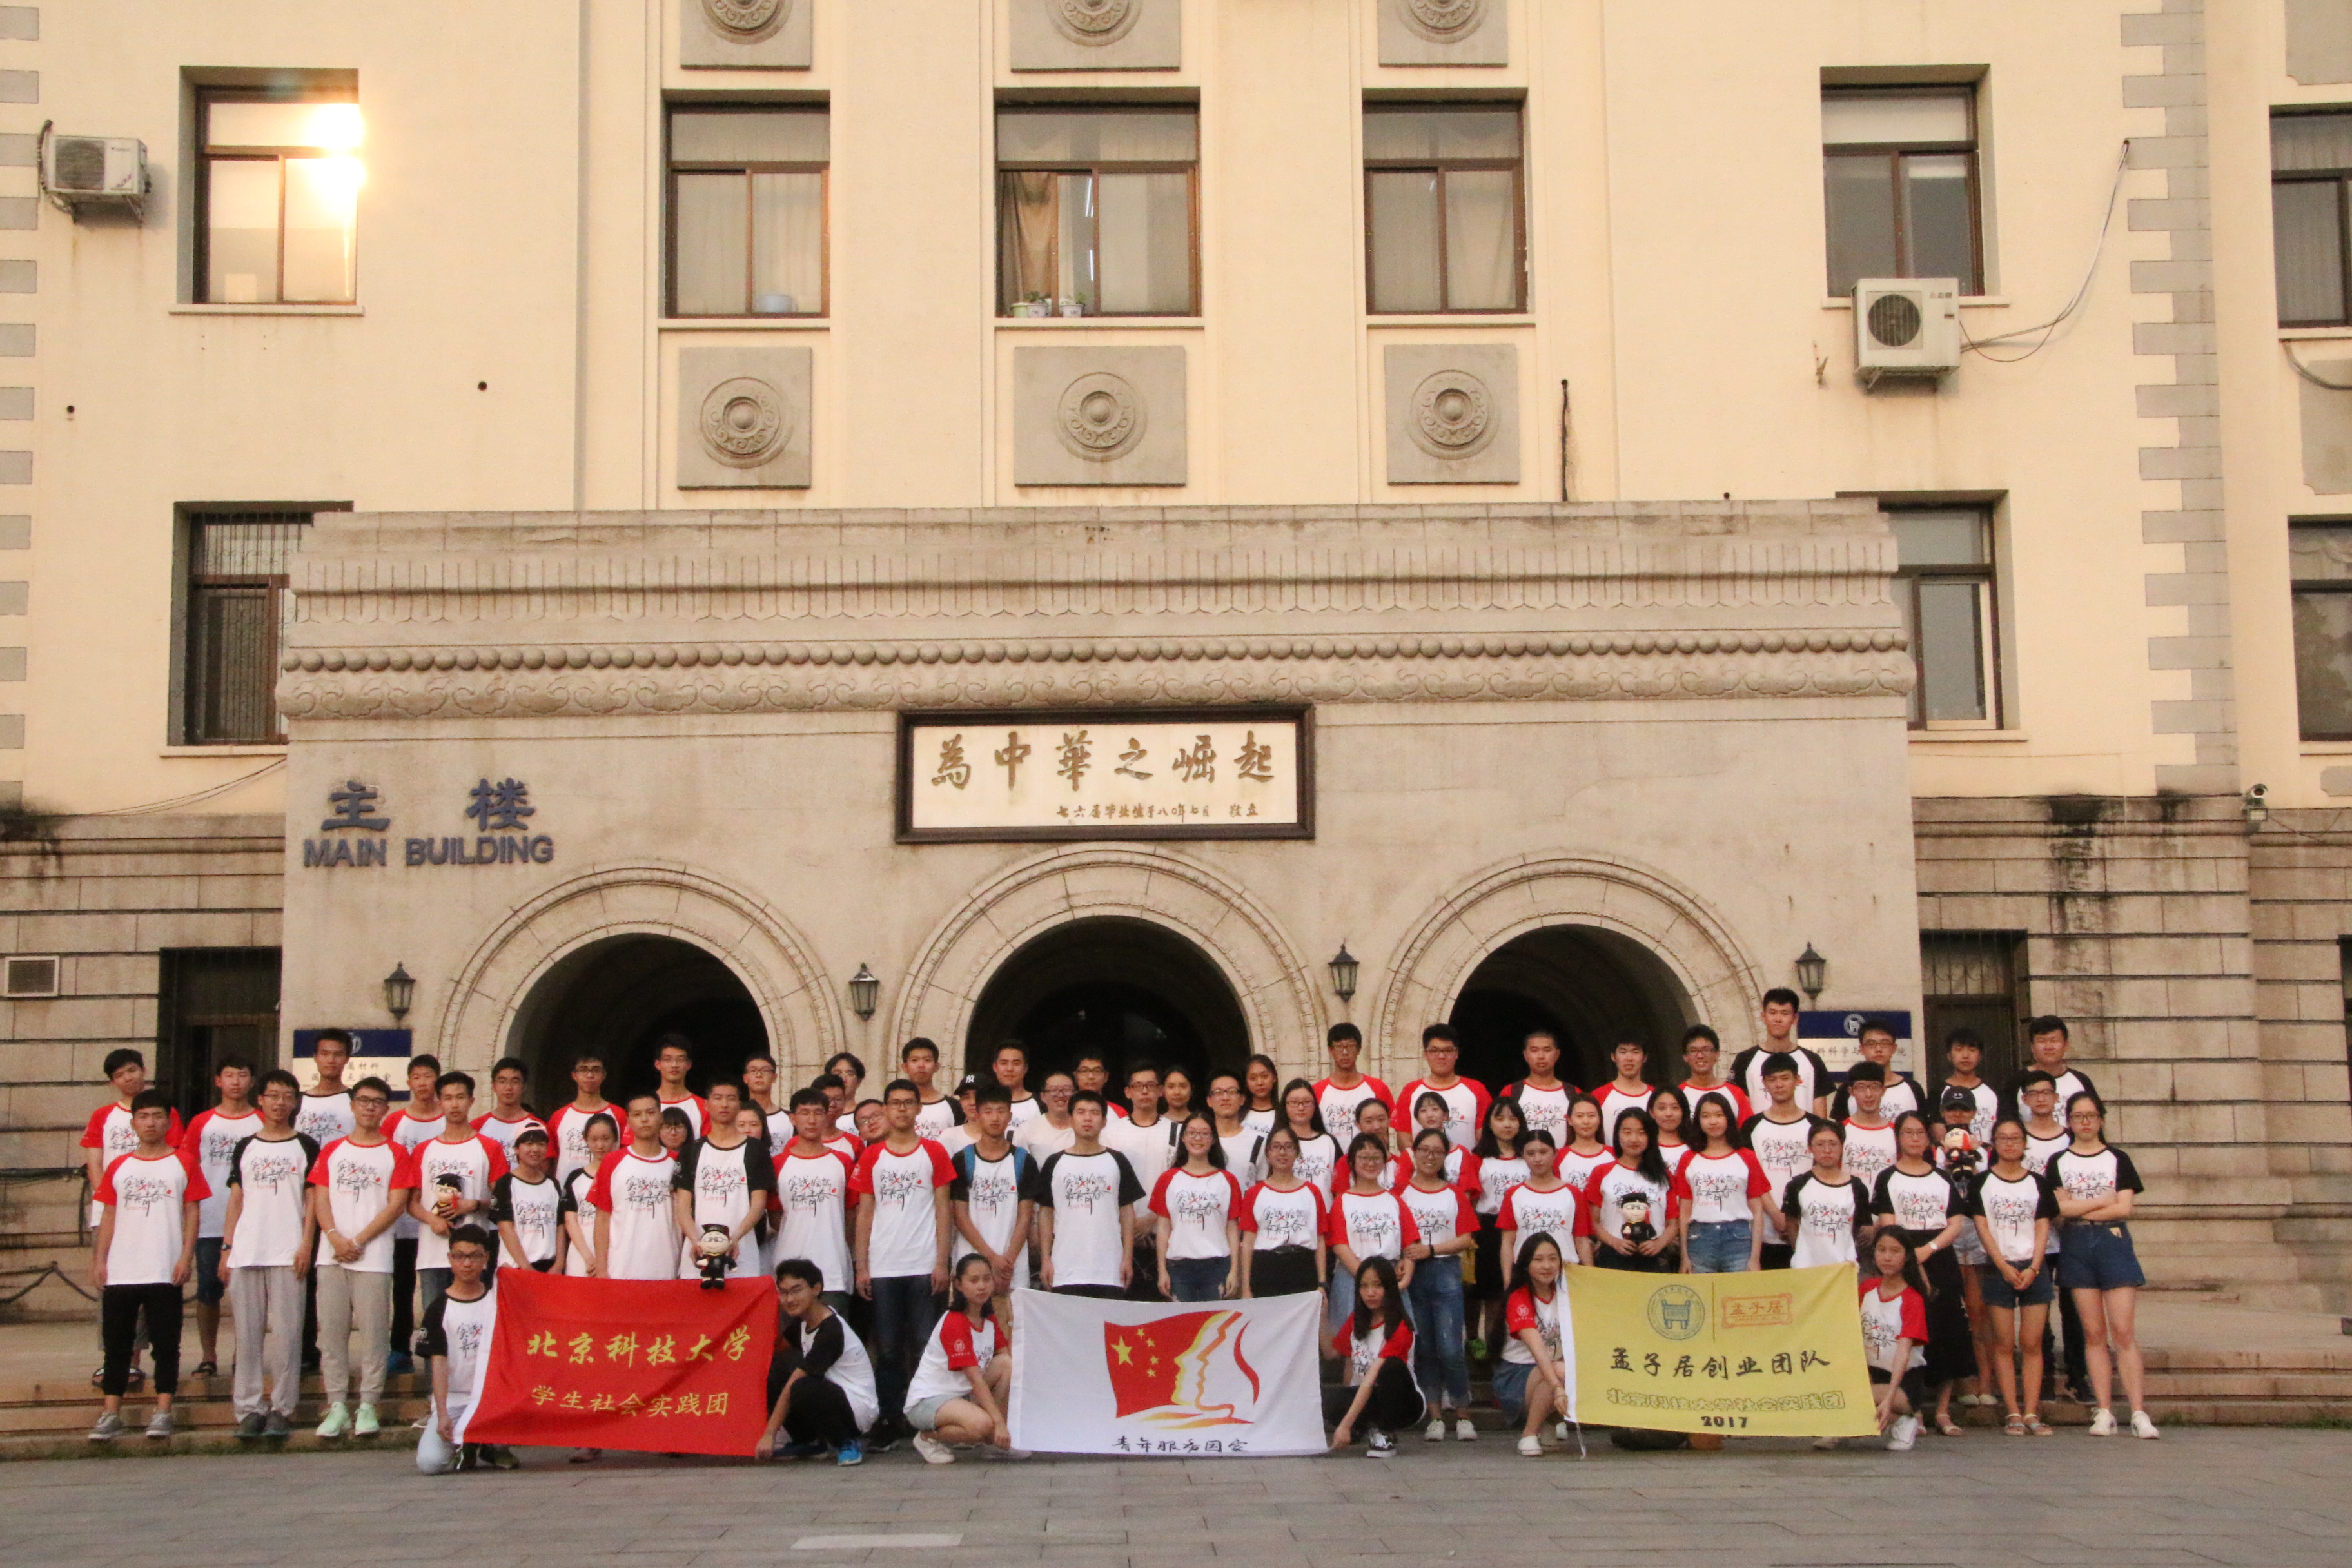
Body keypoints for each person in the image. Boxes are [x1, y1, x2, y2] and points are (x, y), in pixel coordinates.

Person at [88, 1089, 203, 1442]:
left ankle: (163, 1410)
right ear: (134, 1123)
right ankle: (111, 1413)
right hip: (122, 1268)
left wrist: (186, 1257)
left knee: (166, 1345)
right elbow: (109, 1214)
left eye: (157, 1116)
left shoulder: (183, 1161)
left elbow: (192, 1212)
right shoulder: (119, 1166)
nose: (150, 1123)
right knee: (117, 1345)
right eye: (144, 1117)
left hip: (164, 1268)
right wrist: (100, 1260)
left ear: (168, 1122)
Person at [851, 1079, 956, 1445]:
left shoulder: (934, 1152)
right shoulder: (872, 1156)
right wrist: (862, 1267)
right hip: (884, 1267)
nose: (902, 1109)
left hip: (924, 1264)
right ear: (885, 1109)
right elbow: (865, 1214)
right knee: (889, 1347)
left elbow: (944, 1210)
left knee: (926, 1344)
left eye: (908, 1103)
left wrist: (942, 1262)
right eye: (895, 1103)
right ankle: (890, 1418)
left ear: (918, 1109)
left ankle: (927, 1418)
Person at [2047, 1092, 2157, 1439]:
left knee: (2123, 1331)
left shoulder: (2117, 1158)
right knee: (2093, 1333)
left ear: (2101, 1120)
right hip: (2076, 1244)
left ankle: (2138, 1411)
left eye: (2091, 1116)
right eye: (2078, 1116)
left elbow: (2124, 1208)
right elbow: (2059, 1210)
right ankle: (2104, 1410)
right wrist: (2103, 1199)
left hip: (2113, 1241)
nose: (2085, 1122)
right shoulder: (2058, 1161)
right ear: (2069, 1121)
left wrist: (2081, 1207)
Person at [309, 1076, 414, 1439]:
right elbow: (320, 1198)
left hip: (374, 1257)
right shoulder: (333, 1150)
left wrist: (359, 1240)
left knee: (374, 1335)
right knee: (332, 1334)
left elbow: (397, 1204)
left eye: (378, 1102)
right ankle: (337, 1403)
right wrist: (335, 1238)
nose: (370, 1107)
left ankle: (368, 1403)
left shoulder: (396, 1153)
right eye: (364, 1101)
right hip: (332, 1256)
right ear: (352, 1106)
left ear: (386, 1109)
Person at [219, 1069, 320, 1440]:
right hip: (247, 1251)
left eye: (287, 1096)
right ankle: (248, 1408)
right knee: (247, 1337)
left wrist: (306, 1244)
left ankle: (282, 1408)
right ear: (260, 1100)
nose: (280, 1103)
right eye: (273, 1095)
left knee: (288, 1335)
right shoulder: (245, 1146)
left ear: (296, 1103)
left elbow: (312, 1199)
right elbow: (237, 1197)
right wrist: (227, 1247)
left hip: (288, 1251)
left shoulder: (306, 1145)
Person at [81, 1048, 182, 1391]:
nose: (129, 1078)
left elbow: (177, 1158)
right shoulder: (102, 1116)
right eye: (120, 1074)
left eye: (133, 1070)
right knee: (112, 1288)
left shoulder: (165, 1113)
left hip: (154, 1212)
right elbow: (95, 1163)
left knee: (150, 1287)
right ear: (113, 1082)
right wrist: (110, 1199)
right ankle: (114, 1359)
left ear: (143, 1070)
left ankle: (136, 1362)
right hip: (111, 1213)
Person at [1871, 1110, 1971, 1435]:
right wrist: (1907, 1255)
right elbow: (1887, 1222)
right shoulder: (1887, 1177)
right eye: (1908, 1133)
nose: (1914, 1139)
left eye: (1920, 1133)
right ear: (1898, 1138)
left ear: (1929, 1139)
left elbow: (1955, 1222)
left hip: (1939, 1257)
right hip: (1902, 1259)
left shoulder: (1942, 1177)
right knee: (1904, 1334)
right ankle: (1910, 1409)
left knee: (1946, 1331)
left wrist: (1930, 1249)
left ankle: (1942, 1411)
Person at [1968, 1117, 2058, 1436]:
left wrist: (2034, 1267)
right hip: (1998, 1267)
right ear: (1994, 1143)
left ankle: (2032, 1411)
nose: (2009, 1143)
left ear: (2024, 1144)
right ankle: (2013, 1412)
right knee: (2004, 1343)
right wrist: (2003, 1266)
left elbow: (2043, 1226)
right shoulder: (1981, 1183)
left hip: (2033, 1267)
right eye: (2003, 1138)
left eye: (2015, 1138)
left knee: (2032, 1342)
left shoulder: (2038, 1183)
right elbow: (1982, 1228)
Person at [409, 1073, 510, 1329]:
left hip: (474, 1256)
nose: (454, 1104)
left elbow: (504, 1201)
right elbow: (411, 1203)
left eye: (460, 1097)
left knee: (474, 1326)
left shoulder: (489, 1148)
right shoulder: (424, 1150)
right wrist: (432, 1220)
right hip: (433, 1253)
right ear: (439, 1102)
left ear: (471, 1101)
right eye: (448, 1098)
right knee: (435, 1326)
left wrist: (474, 1205)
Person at [758, 1257, 879, 1466]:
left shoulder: (831, 1330)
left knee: (802, 1386)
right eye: (784, 1293)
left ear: (816, 1289)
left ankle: (847, 1442)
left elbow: (795, 1382)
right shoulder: (802, 1324)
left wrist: (769, 1434)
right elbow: (773, 1350)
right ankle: (808, 1441)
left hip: (856, 1408)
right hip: (829, 1395)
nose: (789, 1299)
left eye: (796, 1290)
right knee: (773, 1370)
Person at [1396, 1128, 1477, 1439]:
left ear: (1445, 1157)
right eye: (1424, 1150)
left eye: (1437, 1152)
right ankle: (1435, 1415)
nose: (1430, 1157)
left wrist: (1430, 1249)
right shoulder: (1401, 1193)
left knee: (1451, 1348)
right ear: (1414, 1153)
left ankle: (1463, 1412)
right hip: (1413, 1273)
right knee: (1426, 1347)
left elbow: (1466, 1238)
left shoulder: (1454, 1193)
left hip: (1445, 1270)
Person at [182, 1055, 259, 1380]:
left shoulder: (261, 1121)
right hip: (211, 1219)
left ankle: (244, 1357)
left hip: (251, 1222)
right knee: (208, 1291)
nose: (236, 1082)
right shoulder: (202, 1123)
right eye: (229, 1075)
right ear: (218, 1081)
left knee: (248, 1296)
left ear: (251, 1081)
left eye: (242, 1074)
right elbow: (186, 1167)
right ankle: (208, 1356)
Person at [1027, 1090, 1146, 1298]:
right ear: (1071, 1119)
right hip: (1065, 1269)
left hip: (1109, 1269)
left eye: (1094, 1113)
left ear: (1104, 1121)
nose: (1088, 1118)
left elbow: (1127, 1213)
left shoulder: (1118, 1161)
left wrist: (1127, 1258)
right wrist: (1046, 1259)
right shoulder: (1054, 1163)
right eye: (1081, 1112)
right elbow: (1045, 1213)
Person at [2016, 1069, 2088, 1402]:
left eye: (2047, 1093)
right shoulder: (2017, 1137)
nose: (2041, 1099)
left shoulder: (2070, 1139)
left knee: (2074, 1307)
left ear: (2057, 1099)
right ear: (2025, 1100)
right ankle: (2042, 1375)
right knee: (2038, 1309)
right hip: (2032, 1235)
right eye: (2034, 1093)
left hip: (2069, 1232)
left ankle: (2077, 1376)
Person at [905, 1255, 1017, 1464]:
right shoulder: (955, 1322)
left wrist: (1013, 1321)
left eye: (987, 1279)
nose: (982, 1286)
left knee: (1006, 1364)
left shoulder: (988, 1318)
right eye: (974, 1281)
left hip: (962, 1395)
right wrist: (999, 1423)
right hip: (929, 1400)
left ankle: (994, 1444)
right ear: (958, 1285)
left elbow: (1006, 1357)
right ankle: (926, 1437)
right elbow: (975, 1378)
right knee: (984, 1426)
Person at [416, 1224, 508, 1473]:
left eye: (474, 1256)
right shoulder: (439, 1308)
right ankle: (466, 1444)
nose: (467, 1263)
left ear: (486, 1258)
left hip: (491, 1401)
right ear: (450, 1259)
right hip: (455, 1401)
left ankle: (488, 1445)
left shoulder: (498, 1303)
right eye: (460, 1256)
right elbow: (438, 1364)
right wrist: (442, 1413)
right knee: (430, 1463)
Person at [672, 1082, 776, 1281]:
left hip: (742, 1254)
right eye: (718, 1098)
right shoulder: (692, 1151)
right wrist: (697, 1241)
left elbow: (758, 1204)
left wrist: (734, 1239)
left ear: (739, 1104)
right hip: (698, 1254)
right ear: (707, 1104)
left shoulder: (755, 1150)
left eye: (731, 1098)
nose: (725, 1104)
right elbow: (683, 1207)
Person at [383, 1053, 446, 1375]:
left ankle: (440, 1350)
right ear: (408, 1082)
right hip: (403, 1221)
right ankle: (399, 1349)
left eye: (429, 1076)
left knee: (440, 1287)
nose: (423, 1083)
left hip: (441, 1221)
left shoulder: (448, 1119)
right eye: (417, 1077)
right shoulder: (395, 1122)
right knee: (403, 1287)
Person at [1738, 1053, 1831, 1269]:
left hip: (1809, 1225)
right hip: (1765, 1228)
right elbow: (1752, 1177)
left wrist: (1793, 1218)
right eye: (1772, 1080)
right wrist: (1776, 1215)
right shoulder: (1751, 1126)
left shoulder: (1815, 1125)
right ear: (1764, 1083)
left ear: (1798, 1080)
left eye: (1785, 1078)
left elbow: (1822, 1174)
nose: (1779, 1085)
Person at [1326, 1256, 1422, 1459]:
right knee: (1331, 1403)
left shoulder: (1400, 1326)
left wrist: (1346, 1425)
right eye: (1364, 1286)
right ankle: (1368, 1428)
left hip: (1404, 1402)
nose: (1370, 1293)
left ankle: (1385, 1432)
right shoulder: (1357, 1320)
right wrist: (1321, 1314)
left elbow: (1372, 1378)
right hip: (1370, 1396)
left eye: (1378, 1286)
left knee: (1391, 1367)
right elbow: (1331, 1353)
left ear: (1389, 1287)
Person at [949, 1084, 1031, 1318]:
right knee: (970, 1326)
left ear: (1010, 1116)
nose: (995, 1118)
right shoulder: (962, 1159)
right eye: (988, 1111)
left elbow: (1026, 1216)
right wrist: (992, 1260)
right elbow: (960, 1217)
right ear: (977, 1115)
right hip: (971, 1264)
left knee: (1012, 1330)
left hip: (1013, 1266)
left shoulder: (1023, 1161)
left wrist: (1007, 1264)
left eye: (1001, 1111)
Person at [774, 1088, 861, 1305]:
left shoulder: (844, 1162)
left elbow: (852, 1214)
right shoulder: (778, 1164)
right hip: (788, 1267)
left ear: (826, 1116)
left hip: (833, 1270)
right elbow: (774, 1215)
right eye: (805, 1113)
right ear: (793, 1118)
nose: (812, 1120)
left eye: (818, 1113)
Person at [1496, 1233, 1574, 1457]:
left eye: (1553, 1259)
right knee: (1560, 1371)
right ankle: (1529, 1433)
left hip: (1552, 1369)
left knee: (1569, 1369)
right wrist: (1558, 1388)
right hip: (1517, 1375)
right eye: (1538, 1260)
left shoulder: (1566, 1294)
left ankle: (1548, 1422)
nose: (1547, 1266)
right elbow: (1537, 1349)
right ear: (1526, 1264)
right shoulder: (1519, 1298)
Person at [1853, 1227, 1930, 1453]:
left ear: (1907, 1257)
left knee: (1851, 1397)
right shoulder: (1867, 1288)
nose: (1887, 1257)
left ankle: (1904, 1420)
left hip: (1903, 1383)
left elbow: (1903, 1351)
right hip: (1871, 1374)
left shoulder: (1912, 1299)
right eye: (1881, 1250)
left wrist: (1888, 1399)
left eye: (1895, 1251)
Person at [1327, 1133, 1420, 1318]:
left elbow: (1411, 1243)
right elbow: (1340, 1245)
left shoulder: (1395, 1200)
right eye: (1364, 1157)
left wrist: (1406, 1277)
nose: (1370, 1163)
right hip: (1353, 1279)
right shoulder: (1342, 1202)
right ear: (1352, 1162)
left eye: (1376, 1157)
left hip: (1390, 1279)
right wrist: (1370, 1281)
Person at [1151, 1113, 1242, 1300]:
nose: (1198, 1139)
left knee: (1215, 1317)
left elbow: (1232, 1229)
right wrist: (1162, 1271)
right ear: (1183, 1138)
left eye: (1204, 1134)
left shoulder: (1227, 1180)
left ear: (1213, 1139)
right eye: (1192, 1133)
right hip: (1179, 1267)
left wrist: (1234, 1270)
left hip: (1217, 1266)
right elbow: (1163, 1228)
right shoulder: (1168, 1179)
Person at [587, 1093, 678, 1280]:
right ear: (628, 1121)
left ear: (661, 1117)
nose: (644, 1119)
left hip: (667, 1269)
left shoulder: (676, 1162)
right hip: (621, 1269)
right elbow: (602, 1218)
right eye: (637, 1114)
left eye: (650, 1113)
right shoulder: (612, 1161)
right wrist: (602, 1269)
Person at [1680, 1092, 1769, 1273]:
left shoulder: (1747, 1157)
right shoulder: (1688, 1158)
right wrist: (1684, 1256)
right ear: (1698, 1121)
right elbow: (1684, 1211)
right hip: (1699, 1239)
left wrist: (1755, 1258)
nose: (1713, 1122)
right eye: (1706, 1116)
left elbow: (1758, 1211)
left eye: (1719, 1115)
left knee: (1736, 1291)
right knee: (1702, 1291)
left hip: (1739, 1240)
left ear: (1728, 1118)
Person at [1105, 1061, 1173, 1300]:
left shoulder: (1177, 1133)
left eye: (1150, 1086)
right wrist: (1131, 1225)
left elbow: (1180, 1184)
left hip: (1165, 1236)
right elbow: (1109, 1185)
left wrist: (1151, 1219)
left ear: (1161, 1091)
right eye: (1138, 1086)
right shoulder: (1111, 1133)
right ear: (1128, 1092)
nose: (1145, 1091)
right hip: (1122, 1237)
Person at [1238, 1125, 1328, 1298]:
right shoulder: (1255, 1193)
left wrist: (1322, 1282)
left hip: (1302, 1267)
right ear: (1268, 1153)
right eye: (1276, 1147)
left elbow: (1320, 1239)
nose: (1282, 1152)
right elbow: (1248, 1242)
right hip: (1266, 1268)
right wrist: (1246, 1287)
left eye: (1288, 1147)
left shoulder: (1312, 1192)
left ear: (1297, 1152)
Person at [1470, 1097, 1530, 1355]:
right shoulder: (1478, 1158)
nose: (1507, 1124)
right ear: (1489, 1123)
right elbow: (1471, 1199)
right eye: (1500, 1118)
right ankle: (1483, 1344)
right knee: (1488, 1293)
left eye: (1513, 1119)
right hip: (1488, 1229)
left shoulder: (1530, 1156)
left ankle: (1514, 1346)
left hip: (1524, 1228)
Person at [1587, 1110, 1680, 1273]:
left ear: (1650, 1137)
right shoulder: (1601, 1173)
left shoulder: (1664, 1176)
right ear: (1617, 1135)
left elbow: (1673, 1223)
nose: (1634, 1139)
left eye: (1641, 1133)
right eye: (1627, 1132)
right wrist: (1615, 1242)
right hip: (1613, 1257)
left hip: (1654, 1258)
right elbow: (1593, 1221)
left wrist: (1659, 1244)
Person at [1779, 1122, 1874, 1270]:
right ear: (1810, 1147)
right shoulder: (1798, 1185)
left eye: (1833, 1144)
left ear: (1842, 1147)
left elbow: (1862, 1230)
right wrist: (1802, 1253)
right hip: (1806, 1268)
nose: (1827, 1150)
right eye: (1820, 1144)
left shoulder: (1857, 1188)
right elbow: (1792, 1224)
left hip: (1844, 1269)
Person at [1496, 1127, 1591, 1268]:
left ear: (1555, 1153)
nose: (1537, 1159)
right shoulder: (1514, 1194)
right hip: (1526, 1271)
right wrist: (1508, 1279)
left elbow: (1582, 1240)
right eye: (1531, 1154)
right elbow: (1508, 1242)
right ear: (1523, 1155)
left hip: (1566, 1270)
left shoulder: (1573, 1193)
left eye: (1543, 1152)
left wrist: (1590, 1276)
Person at [1728, 988, 1833, 1115]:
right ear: (1763, 1016)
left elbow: (1820, 1117)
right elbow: (1739, 1109)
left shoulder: (1813, 1061)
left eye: (1785, 1013)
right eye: (1772, 1013)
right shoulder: (1745, 1059)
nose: (1778, 1019)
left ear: (1795, 1018)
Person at [1394, 1026, 1491, 1151]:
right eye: (1434, 1051)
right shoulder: (1411, 1091)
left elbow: (1485, 1138)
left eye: (1448, 1050)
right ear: (1425, 1054)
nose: (1441, 1056)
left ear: (1457, 1053)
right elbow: (1404, 1139)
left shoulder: (1476, 1089)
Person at [491, 1126, 564, 1272]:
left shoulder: (553, 1184)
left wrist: (559, 1263)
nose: (535, 1149)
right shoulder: (506, 1183)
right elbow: (505, 1227)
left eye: (541, 1144)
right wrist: (526, 1267)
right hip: (517, 1266)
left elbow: (560, 1226)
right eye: (529, 1144)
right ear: (517, 1149)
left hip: (550, 1267)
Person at [558, 1112, 618, 1278]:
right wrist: (589, 1258)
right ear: (586, 1140)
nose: (600, 1145)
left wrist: (602, 1260)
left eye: (605, 1139)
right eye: (594, 1139)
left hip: (615, 1256)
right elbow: (570, 1220)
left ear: (615, 1139)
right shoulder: (575, 1178)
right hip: (581, 1258)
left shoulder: (622, 1175)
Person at [1313, 1023, 1394, 1144]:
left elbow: (1388, 1129)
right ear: (1330, 1050)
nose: (1345, 1052)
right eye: (1339, 1047)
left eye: (1350, 1046)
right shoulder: (1317, 1091)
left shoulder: (1378, 1088)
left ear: (1359, 1049)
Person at [2006, 1015, 2099, 1119]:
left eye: (2054, 1041)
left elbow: (2097, 1120)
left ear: (2066, 1045)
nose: (2048, 1047)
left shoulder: (2082, 1081)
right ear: (2032, 1047)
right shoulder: (2016, 1083)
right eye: (2042, 1041)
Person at [544, 1052, 615, 1182]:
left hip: (608, 1188)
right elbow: (549, 1161)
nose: (590, 1075)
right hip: (566, 1190)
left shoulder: (619, 1115)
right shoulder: (558, 1117)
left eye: (596, 1070)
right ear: (574, 1075)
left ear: (604, 1074)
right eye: (583, 1070)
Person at [1830, 1019, 1923, 1121]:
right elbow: (1840, 1127)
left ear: (1894, 1048)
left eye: (1885, 1043)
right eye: (1871, 1044)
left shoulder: (1912, 1088)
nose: (1878, 1049)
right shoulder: (1848, 1089)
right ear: (1861, 1049)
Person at [1500, 1029, 1576, 1147]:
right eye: (1534, 1051)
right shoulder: (1511, 1091)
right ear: (1526, 1055)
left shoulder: (1573, 1093)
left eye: (1547, 1050)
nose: (1541, 1056)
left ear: (1557, 1055)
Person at [1838, 1063, 1900, 1191]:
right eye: (1861, 1087)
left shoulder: (1896, 1133)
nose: (1868, 1094)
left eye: (1874, 1087)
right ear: (1851, 1091)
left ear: (1883, 1090)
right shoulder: (1839, 1131)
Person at [472, 1057, 547, 1162]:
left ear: (524, 1087)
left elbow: (544, 1167)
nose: (508, 1087)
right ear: (494, 1086)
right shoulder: (477, 1126)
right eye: (502, 1081)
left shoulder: (538, 1126)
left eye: (515, 1082)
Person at [294, 1030, 358, 1147]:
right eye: (325, 1054)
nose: (331, 1060)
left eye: (338, 1055)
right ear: (315, 1057)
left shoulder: (356, 1100)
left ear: (347, 1059)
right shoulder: (298, 1100)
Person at [1676, 1025, 1752, 1122]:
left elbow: (1748, 1129)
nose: (1700, 1056)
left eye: (1706, 1050)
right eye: (1693, 1051)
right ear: (1685, 1057)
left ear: (1717, 1054)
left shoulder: (1736, 1094)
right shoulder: (1678, 1095)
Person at [1940, 1029, 2000, 1150]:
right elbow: (1938, 1134)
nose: (1966, 1056)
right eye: (1959, 1050)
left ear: (1980, 1056)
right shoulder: (1938, 1091)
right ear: (1949, 1055)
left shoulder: (1993, 1092)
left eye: (1972, 1050)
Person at [1205, 1072, 1267, 1185]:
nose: (1225, 1098)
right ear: (1209, 1101)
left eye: (1232, 1092)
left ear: (1242, 1099)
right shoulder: (1201, 1139)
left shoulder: (1259, 1141)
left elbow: (1262, 1185)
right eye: (1218, 1092)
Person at [901, 1039, 967, 1141]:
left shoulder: (954, 1107)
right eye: (914, 1060)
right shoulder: (896, 1107)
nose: (921, 1065)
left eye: (927, 1060)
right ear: (905, 1067)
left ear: (936, 1066)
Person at [1592, 1037, 1657, 1132]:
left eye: (1635, 1052)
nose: (1629, 1058)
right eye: (1623, 1052)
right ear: (1613, 1057)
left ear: (1645, 1058)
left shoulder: (1656, 1096)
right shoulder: (1598, 1095)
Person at [651, 1034, 709, 1137]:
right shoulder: (646, 1106)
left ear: (689, 1065)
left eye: (680, 1059)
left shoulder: (704, 1107)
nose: (674, 1065)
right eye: (668, 1059)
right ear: (658, 1064)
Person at [1555, 1094, 1613, 1196]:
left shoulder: (1614, 1154)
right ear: (1570, 1120)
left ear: (1600, 1119)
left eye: (1591, 1116)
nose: (1586, 1122)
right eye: (1579, 1116)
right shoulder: (1558, 1157)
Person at [1014, 1071, 1078, 1161]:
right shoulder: (1027, 1130)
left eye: (1067, 1090)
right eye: (1054, 1090)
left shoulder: (1086, 1128)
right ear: (1043, 1096)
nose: (1061, 1095)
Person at [989, 1042, 1041, 1130]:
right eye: (1004, 1063)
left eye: (1016, 1063)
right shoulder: (984, 1103)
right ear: (995, 1067)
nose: (1010, 1069)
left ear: (1026, 1068)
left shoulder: (1040, 1104)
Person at [1649, 1088, 1694, 1182]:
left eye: (1675, 1108)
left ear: (1684, 1111)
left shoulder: (1696, 1146)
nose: (1669, 1114)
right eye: (1662, 1108)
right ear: (1652, 1112)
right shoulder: (1644, 1147)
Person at [1241, 1054, 1282, 1136]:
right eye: (1253, 1078)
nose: (1259, 1083)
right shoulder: (1237, 1114)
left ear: (1274, 1078)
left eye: (1265, 1076)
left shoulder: (1284, 1114)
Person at [827, 1051, 869, 1123]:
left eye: (850, 1074)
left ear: (859, 1081)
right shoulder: (820, 1117)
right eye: (837, 1073)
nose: (843, 1079)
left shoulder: (866, 1116)